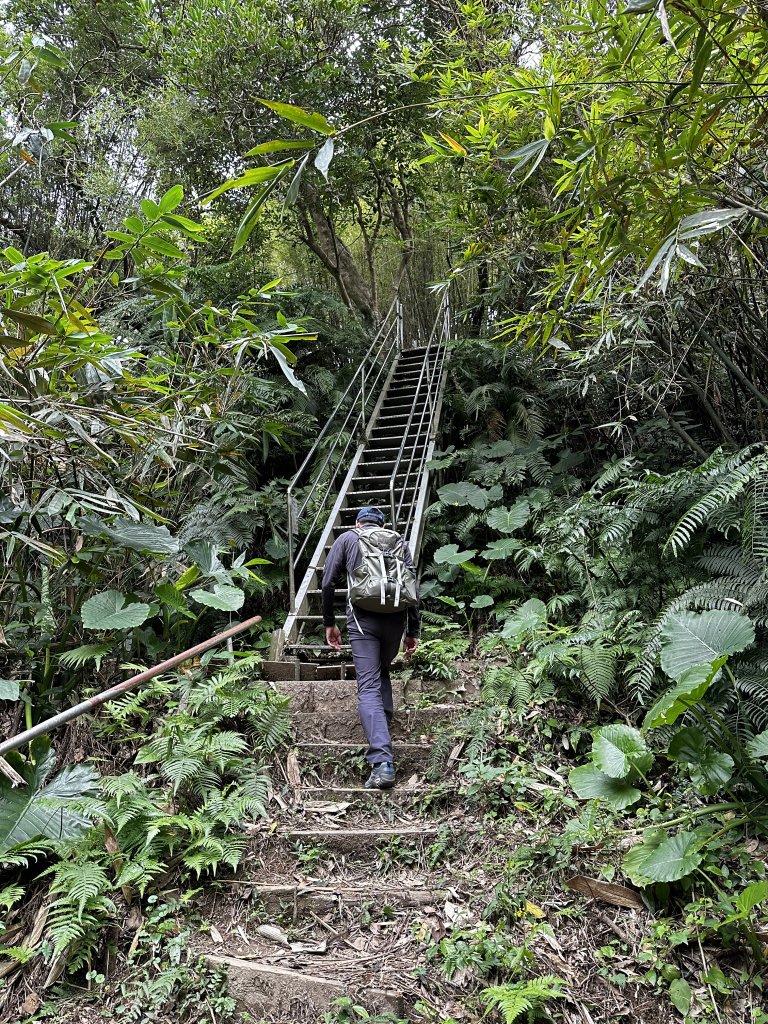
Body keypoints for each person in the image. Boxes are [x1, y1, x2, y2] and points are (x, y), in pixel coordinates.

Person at [322, 506, 419, 789]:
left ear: (358, 522)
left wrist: (330, 623)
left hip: (363, 621)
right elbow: (413, 586)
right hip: (395, 621)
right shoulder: (398, 541)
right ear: (382, 525)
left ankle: (382, 762)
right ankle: (383, 724)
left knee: (367, 686)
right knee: (381, 669)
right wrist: (412, 630)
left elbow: (328, 583)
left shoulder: (348, 538)